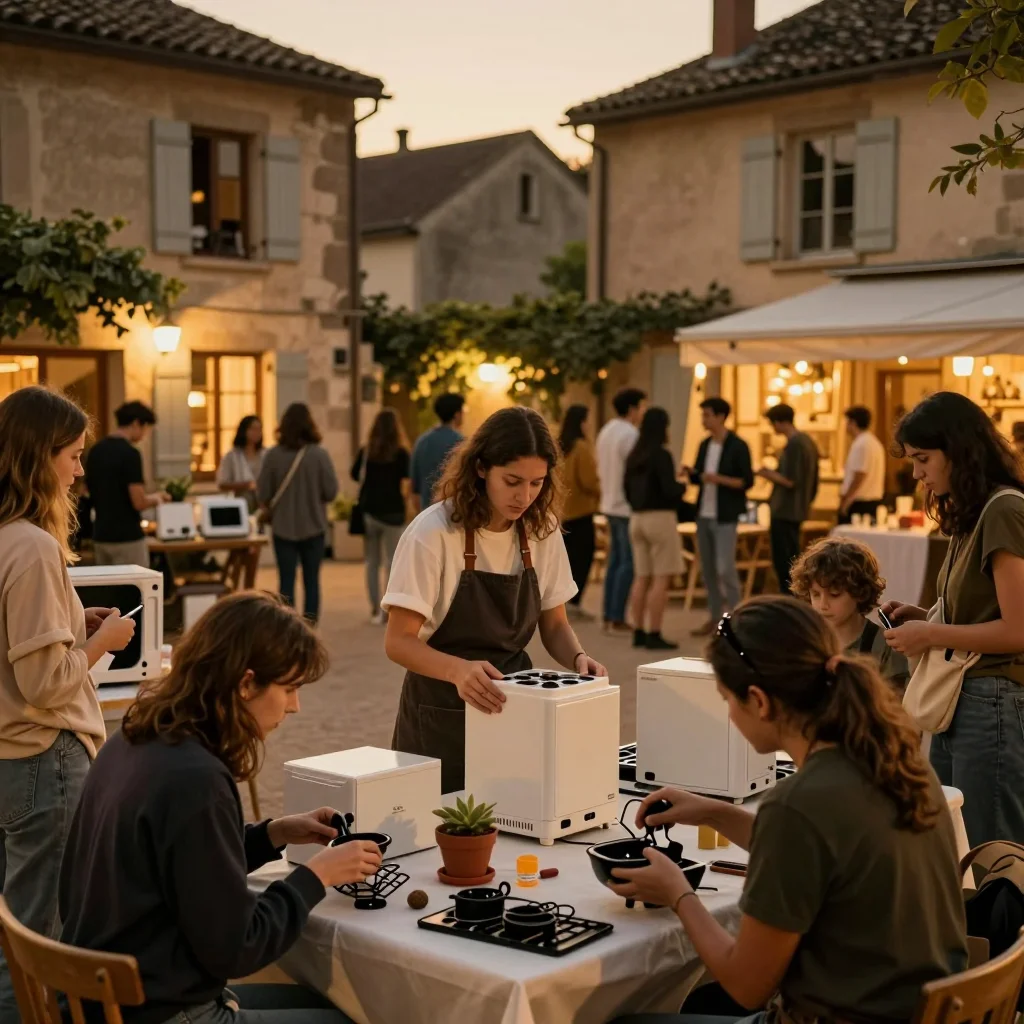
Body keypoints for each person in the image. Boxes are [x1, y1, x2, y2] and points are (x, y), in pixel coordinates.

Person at [608, 596, 968, 1024]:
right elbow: (825, 854)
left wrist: (678, 894)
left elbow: (747, 986)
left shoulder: (796, 806)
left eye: (728, 700)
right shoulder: (896, 760)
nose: (729, 716)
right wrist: (712, 813)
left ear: (759, 701)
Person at [59, 592, 381, 1024]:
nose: (295, 706)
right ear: (246, 683)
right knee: (350, 1017)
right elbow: (239, 947)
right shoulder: (196, 779)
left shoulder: (135, 739)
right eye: (288, 688)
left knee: (327, 1001)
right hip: (161, 1010)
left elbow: (186, 869)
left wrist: (274, 834)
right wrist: (317, 876)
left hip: (108, 999)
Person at [0, 386, 136, 1024]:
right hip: (43, 758)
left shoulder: (9, 539)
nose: (80, 470)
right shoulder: (31, 546)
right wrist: (104, 643)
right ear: (38, 457)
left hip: (14, 757)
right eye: (73, 456)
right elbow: (46, 685)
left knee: (17, 929)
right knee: (40, 945)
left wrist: (77, 627)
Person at [383, 406, 607, 793]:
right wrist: (458, 671)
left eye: (537, 483)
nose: (525, 497)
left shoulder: (542, 530)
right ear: (482, 468)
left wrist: (577, 658)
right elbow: (398, 641)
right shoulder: (433, 533)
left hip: (513, 706)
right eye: (513, 481)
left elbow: (553, 623)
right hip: (440, 714)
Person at [884, 390, 1024, 846]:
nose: (917, 472)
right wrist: (921, 617)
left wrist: (929, 633)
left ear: (960, 450)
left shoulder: (1003, 508)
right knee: (957, 846)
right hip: (963, 697)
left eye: (923, 458)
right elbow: (983, 613)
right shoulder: (976, 510)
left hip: (993, 699)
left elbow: (1017, 630)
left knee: (990, 854)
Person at [791, 537, 909, 690]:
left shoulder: (885, 647)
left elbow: (894, 706)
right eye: (815, 594)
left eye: (834, 594)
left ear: (860, 592)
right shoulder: (805, 643)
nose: (822, 605)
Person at [257, 403, 338, 624]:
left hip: (283, 528)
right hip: (314, 527)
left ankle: (287, 627)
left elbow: (263, 492)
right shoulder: (319, 455)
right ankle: (310, 628)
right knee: (312, 581)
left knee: (286, 582)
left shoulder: (273, 456)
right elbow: (331, 492)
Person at [683, 397, 753, 637]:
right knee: (708, 569)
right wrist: (692, 474)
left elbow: (746, 481)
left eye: (707, 415)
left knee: (725, 568)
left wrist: (718, 479)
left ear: (721, 416)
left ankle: (737, 618)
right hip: (704, 513)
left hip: (725, 514)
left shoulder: (738, 445)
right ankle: (715, 618)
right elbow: (699, 476)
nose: (704, 420)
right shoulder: (704, 445)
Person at [625, 407, 685, 651]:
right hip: (660, 519)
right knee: (661, 578)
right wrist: (684, 485)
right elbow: (671, 490)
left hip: (636, 519)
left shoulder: (634, 455)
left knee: (641, 577)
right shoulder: (661, 455)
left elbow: (626, 490)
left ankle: (638, 630)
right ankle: (655, 632)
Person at [85, 400, 166, 567]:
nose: (144, 435)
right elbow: (138, 501)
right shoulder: (130, 454)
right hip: (127, 537)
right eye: (145, 429)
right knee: (136, 590)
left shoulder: (95, 451)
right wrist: (157, 498)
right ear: (136, 423)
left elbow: (86, 490)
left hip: (101, 535)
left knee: (108, 591)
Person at [351, 409, 411, 624]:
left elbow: (354, 474)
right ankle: (389, 609)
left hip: (370, 512)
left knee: (371, 562)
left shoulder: (367, 451)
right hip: (393, 512)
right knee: (392, 563)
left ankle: (375, 609)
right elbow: (407, 479)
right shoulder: (401, 453)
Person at [597, 388, 646, 637]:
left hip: (608, 502)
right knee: (627, 562)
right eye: (641, 407)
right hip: (625, 506)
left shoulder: (606, 431)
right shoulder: (630, 434)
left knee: (615, 561)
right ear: (632, 408)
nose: (642, 412)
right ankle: (616, 615)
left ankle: (609, 613)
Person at [756, 404, 818, 596]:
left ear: (779, 422)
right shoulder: (807, 441)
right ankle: (794, 596)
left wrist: (767, 473)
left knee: (785, 559)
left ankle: (790, 599)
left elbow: (791, 480)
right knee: (792, 555)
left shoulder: (795, 444)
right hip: (797, 508)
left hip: (786, 509)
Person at [559, 404, 601, 621]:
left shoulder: (560, 447)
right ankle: (574, 604)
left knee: (567, 559)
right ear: (582, 422)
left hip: (562, 511)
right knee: (583, 558)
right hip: (581, 511)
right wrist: (600, 491)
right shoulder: (581, 448)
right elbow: (589, 481)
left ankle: (565, 603)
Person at [410, 393, 465, 512]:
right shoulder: (461, 443)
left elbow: (414, 487)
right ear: (456, 414)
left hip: (427, 511)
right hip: (453, 512)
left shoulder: (422, 441)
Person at [839, 406, 886, 524]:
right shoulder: (874, 442)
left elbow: (860, 474)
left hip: (860, 502)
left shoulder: (861, 444)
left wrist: (847, 500)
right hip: (872, 500)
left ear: (853, 423)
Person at [217, 415, 265, 513]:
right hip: (242, 502)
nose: (257, 433)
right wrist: (246, 485)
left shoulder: (266, 454)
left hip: (262, 503)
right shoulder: (232, 456)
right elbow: (222, 484)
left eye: (259, 429)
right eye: (253, 429)